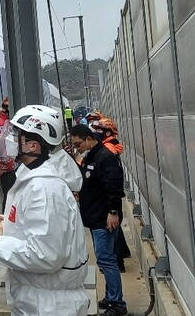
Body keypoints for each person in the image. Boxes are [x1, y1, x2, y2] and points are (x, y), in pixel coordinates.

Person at [0, 104, 90, 316]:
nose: (9, 139)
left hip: (49, 306)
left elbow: (45, 255)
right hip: (37, 299)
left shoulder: (44, 189)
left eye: (16, 135)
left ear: (33, 146)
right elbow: (30, 229)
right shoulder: (31, 178)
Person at [70, 125, 127, 316]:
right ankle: (111, 297)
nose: (77, 147)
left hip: (104, 218)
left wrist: (113, 212)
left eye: (78, 143)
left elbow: (114, 186)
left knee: (107, 260)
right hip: (96, 217)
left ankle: (117, 304)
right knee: (105, 259)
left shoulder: (104, 157)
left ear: (88, 138)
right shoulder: (92, 156)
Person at [86, 118, 130, 272]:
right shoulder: (109, 148)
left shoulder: (107, 151)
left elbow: (111, 183)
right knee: (115, 235)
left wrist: (112, 210)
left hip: (107, 205)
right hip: (108, 204)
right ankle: (122, 256)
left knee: (111, 241)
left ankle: (118, 265)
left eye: (98, 130)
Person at [0, 97, 17, 194]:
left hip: (10, 168)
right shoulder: (1, 126)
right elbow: (1, 150)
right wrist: (12, 165)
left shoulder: (7, 123)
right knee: (10, 197)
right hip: (7, 170)